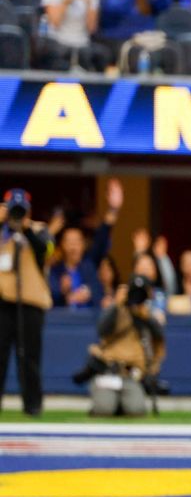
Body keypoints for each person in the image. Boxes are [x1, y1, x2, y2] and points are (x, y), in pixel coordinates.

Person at [85, 273, 165, 417]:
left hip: (131, 375)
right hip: (109, 371)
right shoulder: (116, 311)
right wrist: (116, 305)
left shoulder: (146, 316)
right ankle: (109, 400)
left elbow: (159, 335)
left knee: (136, 410)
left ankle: (120, 403)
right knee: (103, 410)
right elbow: (101, 330)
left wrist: (146, 315)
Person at [0, 189, 51, 416]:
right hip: (2, 303)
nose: (17, 213)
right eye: (13, 208)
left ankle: (33, 405)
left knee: (29, 357)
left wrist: (27, 227)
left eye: (21, 209)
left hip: (30, 303)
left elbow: (46, 249)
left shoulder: (39, 230)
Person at [48, 178, 122, 309]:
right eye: (69, 242)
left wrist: (113, 209)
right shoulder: (55, 271)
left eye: (77, 242)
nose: (73, 246)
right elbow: (50, 300)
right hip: (63, 326)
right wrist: (64, 294)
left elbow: (102, 237)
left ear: (83, 244)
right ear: (62, 245)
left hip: (91, 325)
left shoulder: (90, 264)